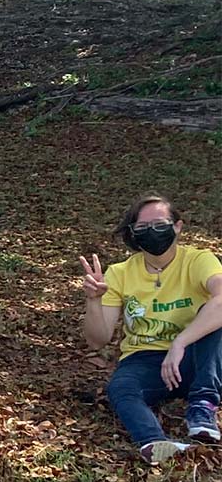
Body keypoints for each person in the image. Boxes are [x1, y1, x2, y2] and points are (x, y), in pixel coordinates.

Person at [78, 194, 222, 464]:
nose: (151, 232)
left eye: (160, 224)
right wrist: (94, 300)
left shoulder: (199, 260)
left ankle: (202, 405)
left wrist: (180, 342)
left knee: (213, 314)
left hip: (199, 356)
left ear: (177, 226)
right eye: (142, 228)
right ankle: (154, 442)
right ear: (133, 233)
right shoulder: (120, 273)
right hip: (145, 359)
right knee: (121, 388)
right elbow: (97, 340)